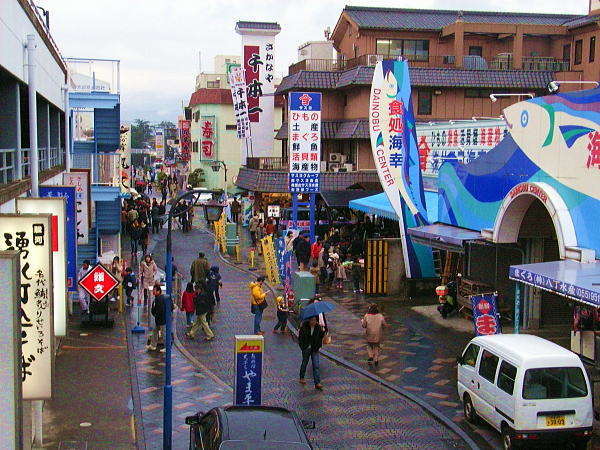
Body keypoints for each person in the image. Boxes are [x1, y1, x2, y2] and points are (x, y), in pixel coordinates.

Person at [298, 315, 325, 390]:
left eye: (315, 320)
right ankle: (302, 377)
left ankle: (317, 382)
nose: (313, 322)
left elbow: (320, 337)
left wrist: (324, 332)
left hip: (315, 349)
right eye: (312, 320)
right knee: (305, 362)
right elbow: (300, 338)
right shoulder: (304, 327)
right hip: (306, 348)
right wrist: (303, 347)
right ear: (309, 320)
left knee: (316, 365)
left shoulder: (318, 327)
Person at [147, 284, 167, 352]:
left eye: (154, 290)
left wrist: (156, 314)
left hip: (161, 319)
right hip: (158, 319)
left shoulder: (160, 299)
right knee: (155, 331)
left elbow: (159, 309)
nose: (153, 292)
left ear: (159, 291)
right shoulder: (157, 298)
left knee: (163, 333)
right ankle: (153, 345)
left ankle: (166, 347)